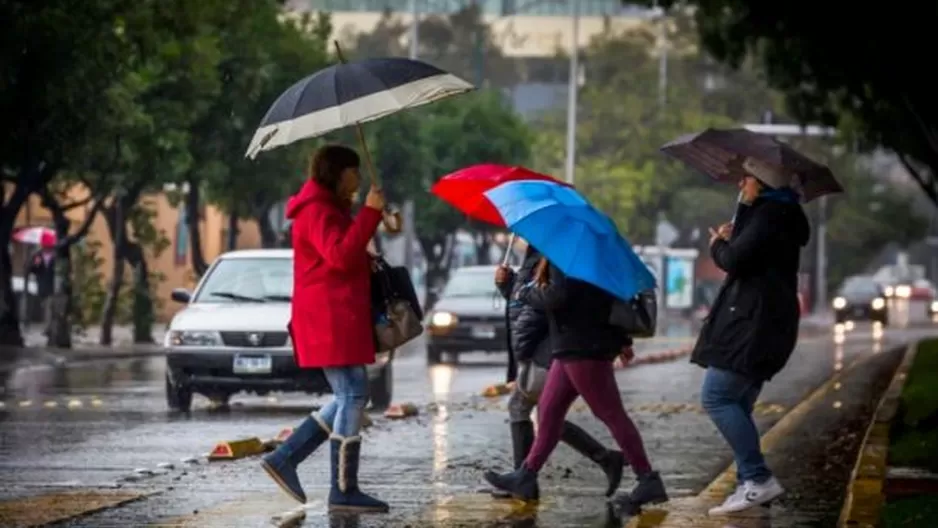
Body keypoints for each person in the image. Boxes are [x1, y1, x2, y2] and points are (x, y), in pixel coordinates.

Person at [261, 144, 389, 513]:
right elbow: (338, 256)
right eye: (354, 171)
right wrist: (369, 213)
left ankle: (287, 457)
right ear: (337, 172)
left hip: (336, 315)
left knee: (348, 393)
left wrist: (371, 223)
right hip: (328, 317)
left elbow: (343, 255)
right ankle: (343, 489)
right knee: (352, 394)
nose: (359, 178)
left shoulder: (329, 209)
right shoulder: (316, 210)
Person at [484, 257, 668, 507]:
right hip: (570, 344)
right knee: (549, 413)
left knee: (611, 414)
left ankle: (647, 479)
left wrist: (520, 288)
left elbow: (555, 297)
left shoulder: (565, 258)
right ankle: (526, 475)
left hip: (583, 346)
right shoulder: (584, 257)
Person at [696, 163, 810, 515]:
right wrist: (743, 214)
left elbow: (735, 260)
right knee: (738, 404)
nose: (740, 183)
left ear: (761, 182)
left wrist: (718, 244)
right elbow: (749, 254)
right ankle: (749, 486)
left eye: (745, 178)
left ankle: (757, 478)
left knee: (716, 396)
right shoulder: (779, 214)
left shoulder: (770, 215)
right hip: (766, 322)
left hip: (754, 324)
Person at [493, 244, 626, 498]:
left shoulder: (554, 254)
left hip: (550, 345)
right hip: (543, 345)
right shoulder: (535, 255)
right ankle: (605, 459)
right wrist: (507, 285)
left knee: (528, 408)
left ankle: (524, 478)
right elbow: (524, 301)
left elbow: (550, 299)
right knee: (546, 414)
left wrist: (520, 292)